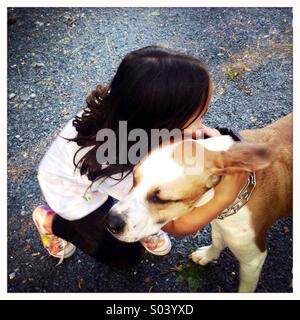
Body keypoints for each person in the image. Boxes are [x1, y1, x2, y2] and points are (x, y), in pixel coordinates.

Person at [33, 45, 246, 266]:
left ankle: (141, 222)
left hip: (90, 172)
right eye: (197, 118)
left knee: (132, 212)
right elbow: (178, 227)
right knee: (125, 257)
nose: (201, 127)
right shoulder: (121, 160)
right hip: (70, 194)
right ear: (163, 124)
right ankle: (49, 220)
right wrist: (224, 196)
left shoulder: (128, 106)